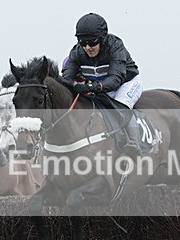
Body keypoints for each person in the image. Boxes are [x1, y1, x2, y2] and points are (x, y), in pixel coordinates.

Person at [61, 13, 143, 156]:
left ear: (102, 38)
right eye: (83, 43)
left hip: (124, 83)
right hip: (101, 86)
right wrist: (72, 85)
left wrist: (93, 87)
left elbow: (116, 78)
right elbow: (66, 78)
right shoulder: (76, 52)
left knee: (120, 106)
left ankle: (133, 143)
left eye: (92, 42)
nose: (88, 47)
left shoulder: (115, 46)